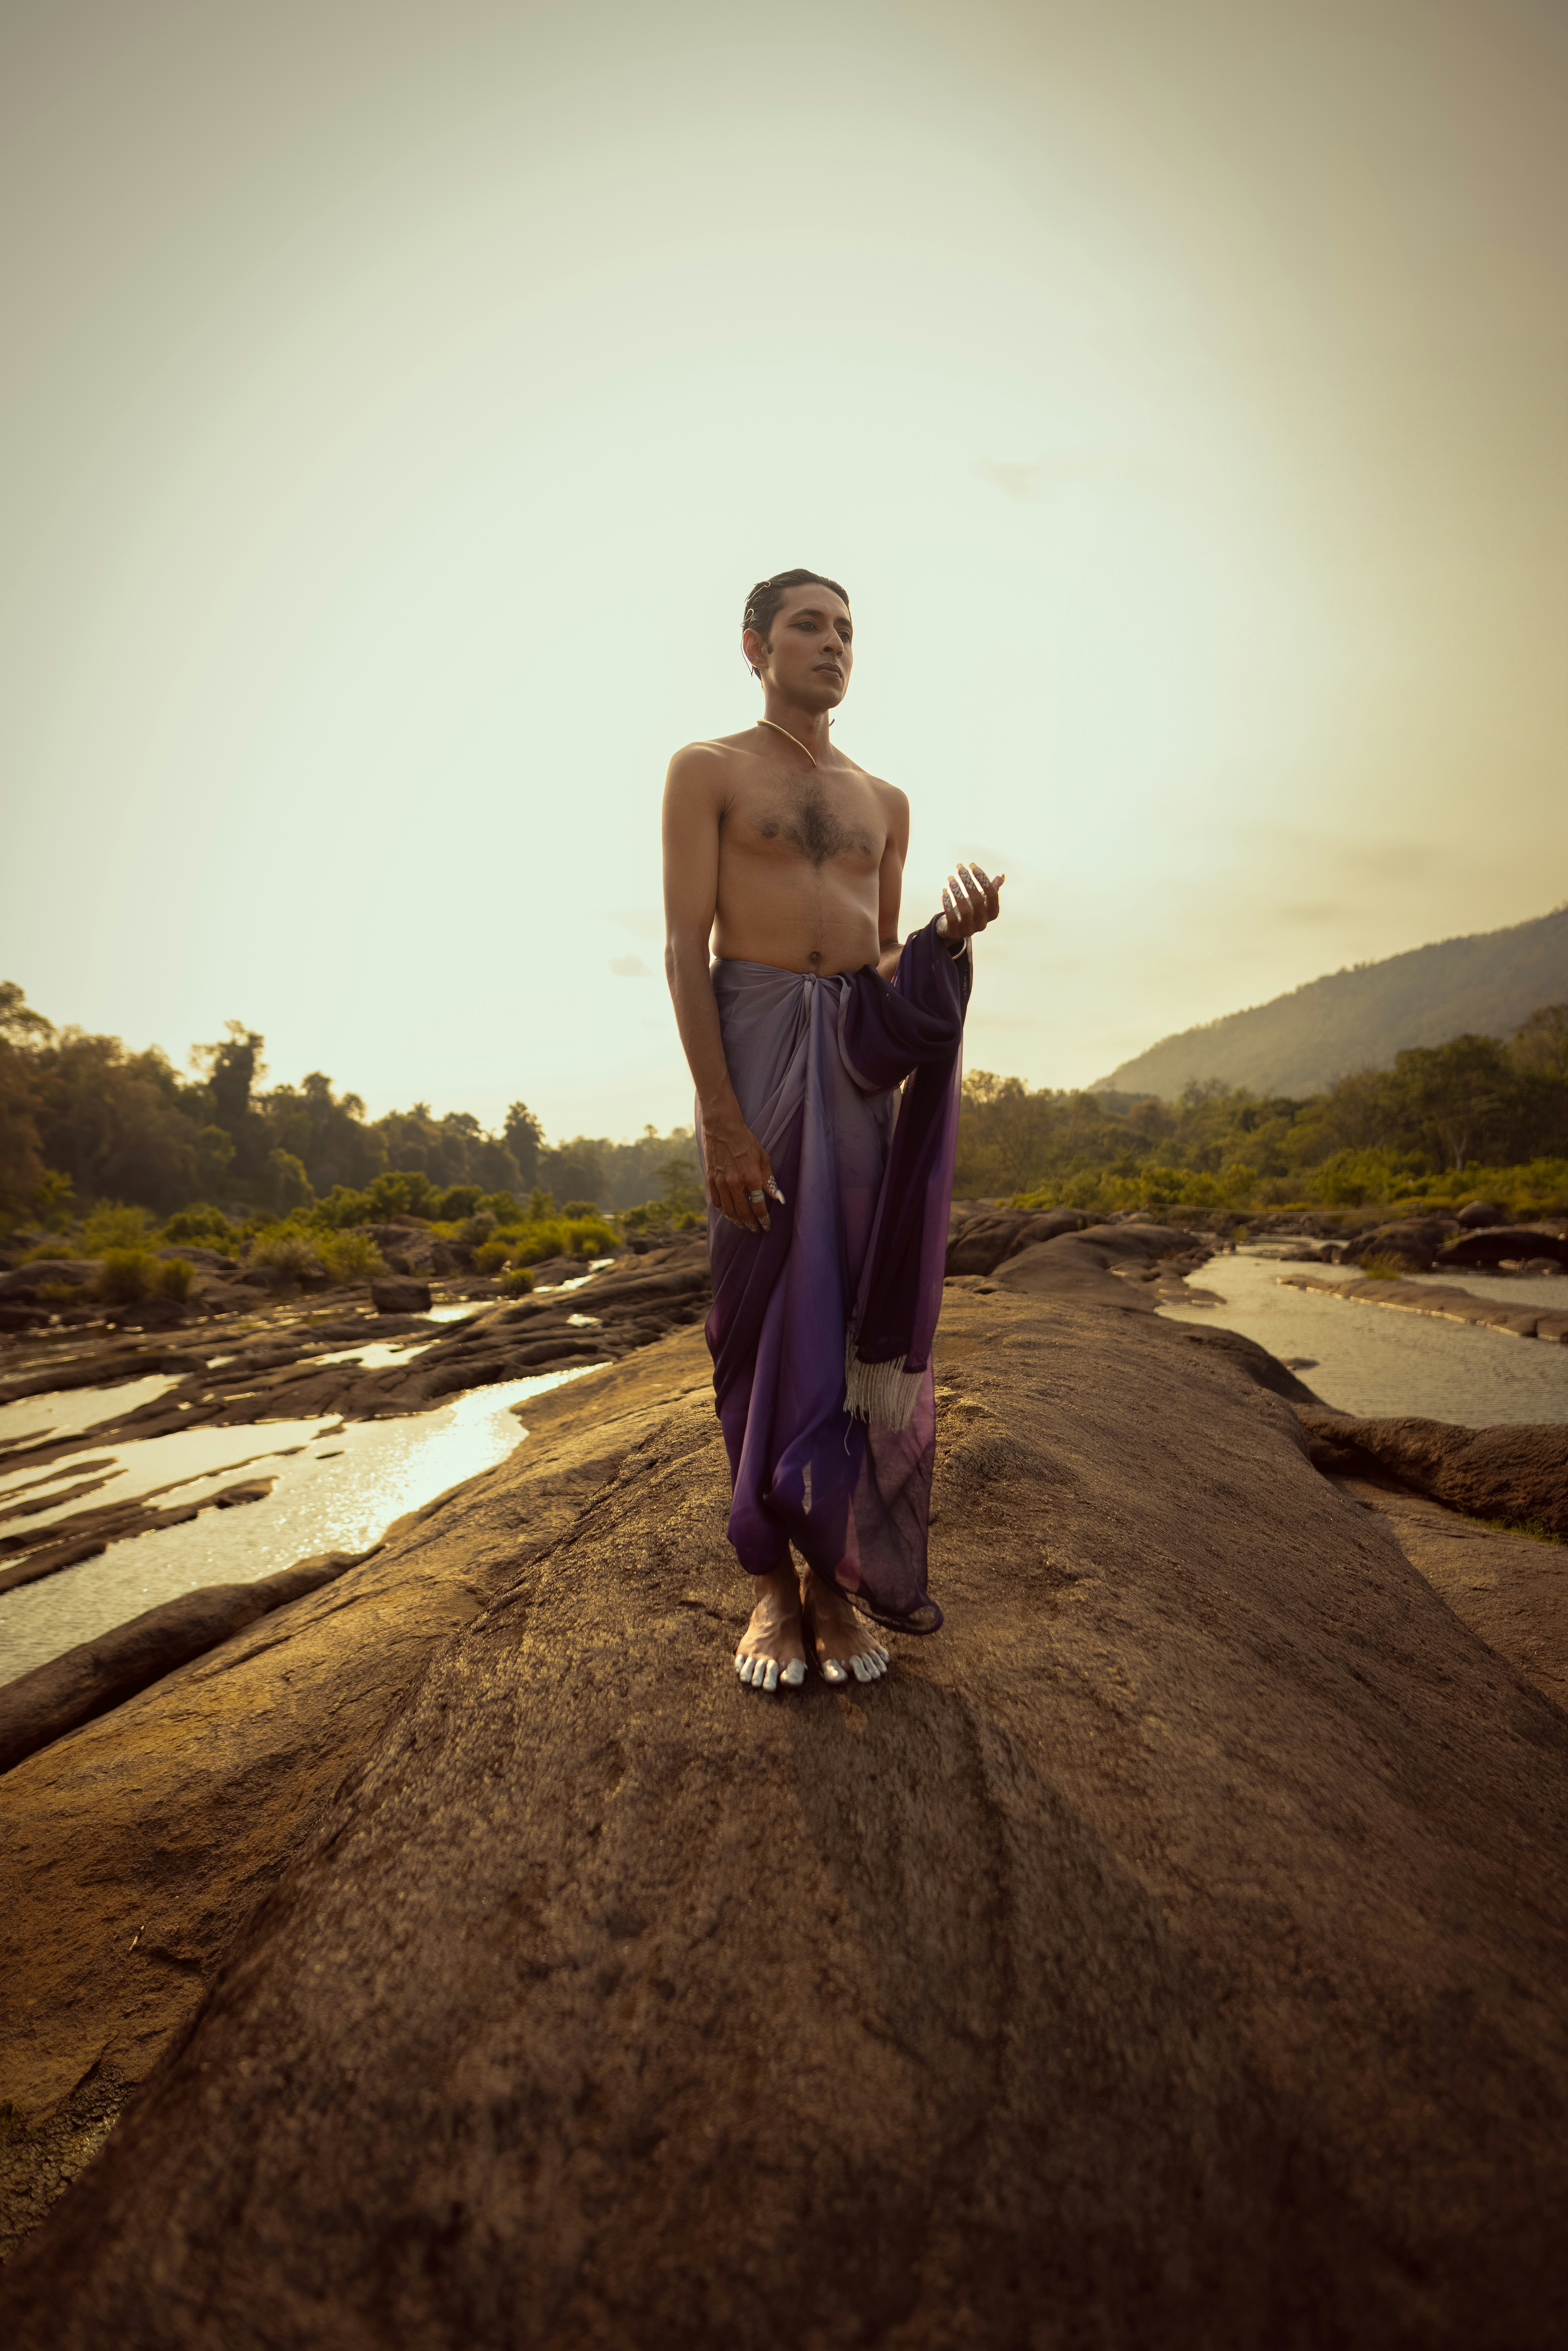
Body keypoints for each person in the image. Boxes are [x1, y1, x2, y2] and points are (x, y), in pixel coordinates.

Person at [661, 569, 1003, 1693]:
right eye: (808, 624)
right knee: (758, 1311)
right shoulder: (707, 769)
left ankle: (830, 1581)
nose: (832, 643)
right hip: (754, 1046)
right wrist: (722, 1119)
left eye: (846, 629)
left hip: (853, 1073)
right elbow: (685, 948)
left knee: (850, 1310)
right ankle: (770, 1581)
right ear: (754, 644)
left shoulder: (883, 801)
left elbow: (883, 960)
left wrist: (945, 942)